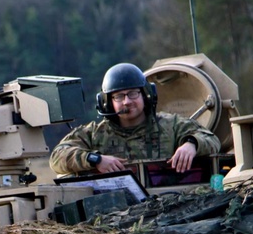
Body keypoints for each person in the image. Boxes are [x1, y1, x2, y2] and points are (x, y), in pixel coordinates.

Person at [49, 62, 220, 176]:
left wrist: (191, 144)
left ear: (146, 95)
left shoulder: (171, 125)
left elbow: (211, 139)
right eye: (119, 96)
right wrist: (95, 160)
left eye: (133, 93)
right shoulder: (94, 134)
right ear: (107, 102)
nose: (127, 101)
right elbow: (57, 157)